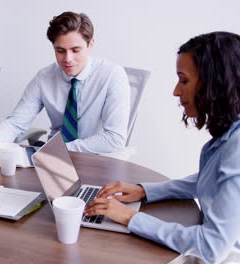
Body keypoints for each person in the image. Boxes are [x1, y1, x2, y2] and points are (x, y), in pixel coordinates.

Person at [85, 32, 240, 264]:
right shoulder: (229, 136)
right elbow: (211, 180)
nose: (176, 91)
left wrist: (130, 218)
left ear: (213, 83)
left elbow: (211, 247)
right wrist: (144, 191)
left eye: (184, 80)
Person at [0, 11, 130, 161]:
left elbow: (115, 138)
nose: (68, 59)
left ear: (90, 44)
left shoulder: (112, 75)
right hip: (53, 160)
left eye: (75, 50)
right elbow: (16, 122)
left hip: (96, 159)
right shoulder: (44, 77)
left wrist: (60, 150)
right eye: (60, 51)